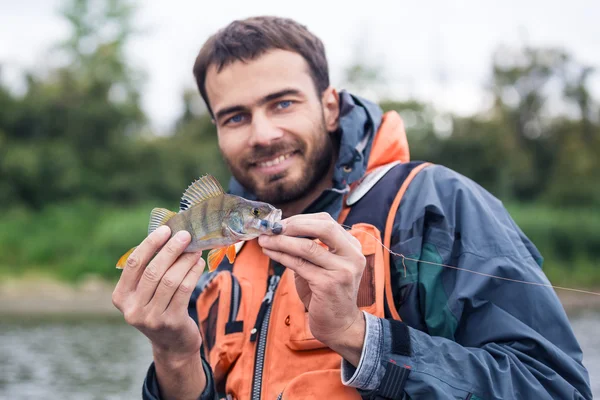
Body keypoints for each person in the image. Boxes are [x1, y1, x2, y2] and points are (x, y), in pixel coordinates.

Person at [111, 16, 592, 400]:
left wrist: (359, 336)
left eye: (282, 104)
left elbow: (554, 388)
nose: (261, 134)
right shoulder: (216, 254)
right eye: (235, 116)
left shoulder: (436, 206)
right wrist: (173, 355)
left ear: (331, 106)